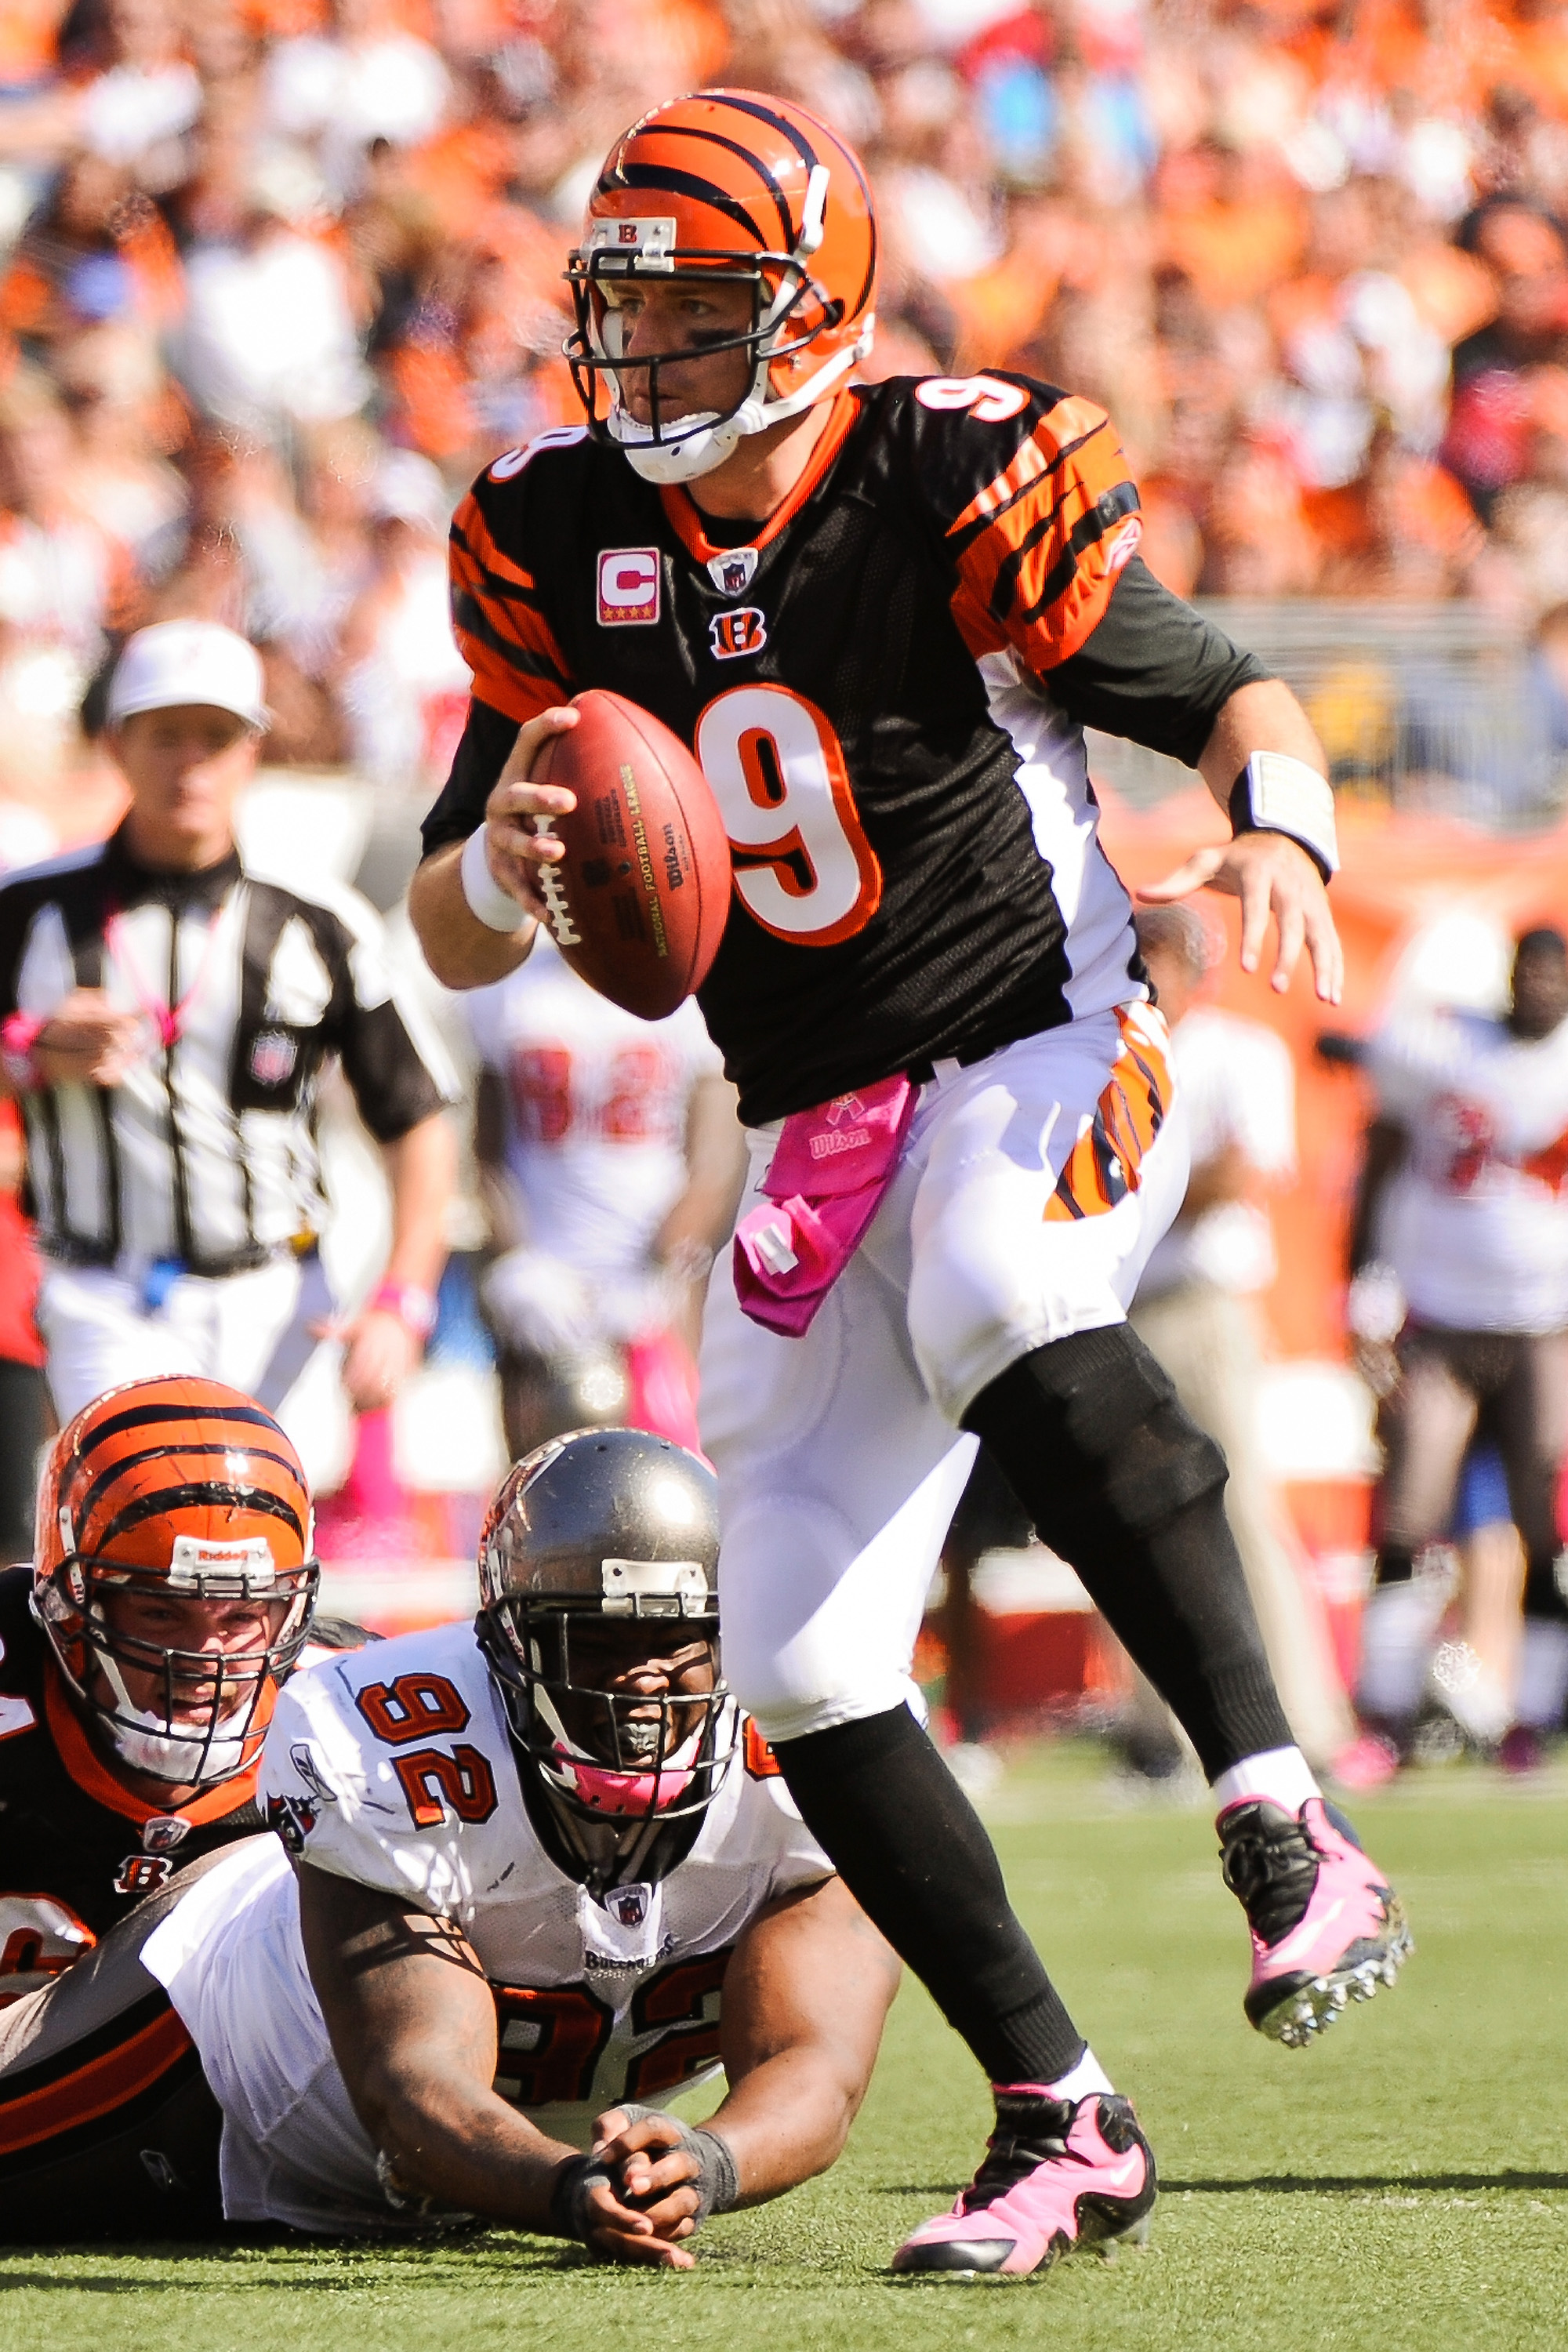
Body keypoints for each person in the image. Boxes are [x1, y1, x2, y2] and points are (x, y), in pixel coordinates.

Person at [408, 92, 1408, 2279]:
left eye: (697, 311)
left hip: (1045, 1031)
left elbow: (1219, 687)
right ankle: (1064, 2112)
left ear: (815, 305)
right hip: (807, 1120)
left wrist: (1284, 830)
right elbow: (445, 919)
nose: (650, 356)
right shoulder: (559, 535)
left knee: (990, 1275)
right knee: (797, 1638)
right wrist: (503, 864)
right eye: (629, 311)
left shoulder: (950, 468)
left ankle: (1283, 1805)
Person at [0, 1429, 904, 2259]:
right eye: (592, 1641)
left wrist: (708, 2161)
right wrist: (560, 2189)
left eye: (678, 1639)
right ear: (505, 1641)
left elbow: (813, 2065)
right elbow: (412, 2083)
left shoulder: (813, 1749)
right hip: (216, 2043)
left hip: (459, 2169)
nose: (640, 1683)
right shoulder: (384, 1742)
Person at [0, 617, 459, 1446]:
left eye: (214, 738)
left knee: (261, 1563)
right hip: (102, 1289)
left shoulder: (319, 921)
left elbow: (415, 1117)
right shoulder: (27, 909)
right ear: (116, 743)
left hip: (274, 1292)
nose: (190, 763)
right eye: (165, 735)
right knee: (128, 1544)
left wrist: (402, 1297)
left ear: (252, 750)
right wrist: (24, 1053)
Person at [0, 1374, 359, 2012]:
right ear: (71, 1605)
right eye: (162, 1614)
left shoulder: (350, 1713)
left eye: (241, 1618)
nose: (205, 1659)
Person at [1126, 904, 1353, 1775]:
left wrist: (1129, 1208)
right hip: (1124, 1306)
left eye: (1159, 959)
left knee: (1242, 1506)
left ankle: (1306, 1716)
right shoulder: (1102, 1052)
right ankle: (1157, 1731)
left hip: (1202, 1300)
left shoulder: (1235, 1050)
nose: (1146, 976)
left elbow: (1240, 1171)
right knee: (1135, 1517)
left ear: (1196, 967)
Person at [1346, 924, 1568, 1771]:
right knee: (1407, 1507)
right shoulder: (1439, 1049)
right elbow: (1382, 1144)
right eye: (1530, 975)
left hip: (1544, 1322)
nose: (1541, 990)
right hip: (1439, 1318)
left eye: (1555, 976)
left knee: (1542, 1518)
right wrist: (1365, 1281)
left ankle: (1533, 1716)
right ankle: (1386, 1715)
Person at [466, 926, 744, 1458]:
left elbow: (713, 1162)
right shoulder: (511, 992)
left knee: (670, 1464)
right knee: (542, 1476)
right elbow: (487, 1154)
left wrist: (661, 1268)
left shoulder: (685, 996)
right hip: (546, 1285)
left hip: (653, 1285)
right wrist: (519, 1262)